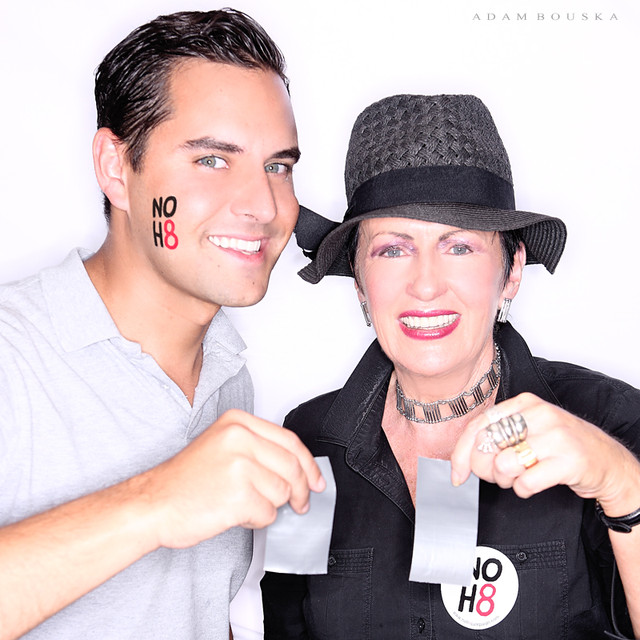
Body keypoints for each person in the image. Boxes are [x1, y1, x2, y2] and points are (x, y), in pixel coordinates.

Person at [261, 94, 640, 639]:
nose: (426, 284)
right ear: (361, 284)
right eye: (393, 249)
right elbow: (287, 627)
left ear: (511, 272)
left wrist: (622, 484)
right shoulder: (307, 447)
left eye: (458, 246)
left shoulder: (609, 421)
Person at [0, 9, 325, 640]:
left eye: (278, 166)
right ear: (117, 169)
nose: (263, 205)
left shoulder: (229, 376)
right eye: (211, 160)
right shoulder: (11, 356)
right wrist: (154, 503)